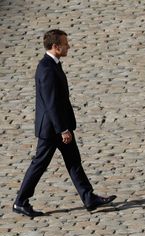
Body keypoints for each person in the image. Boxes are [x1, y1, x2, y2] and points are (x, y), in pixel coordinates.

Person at [13, 29, 116, 217]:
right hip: (52, 129)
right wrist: (63, 130)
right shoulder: (46, 68)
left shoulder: (53, 65)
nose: (68, 46)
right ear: (55, 46)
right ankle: (20, 201)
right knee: (39, 164)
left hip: (59, 125)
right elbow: (51, 103)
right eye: (65, 43)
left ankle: (88, 197)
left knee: (74, 162)